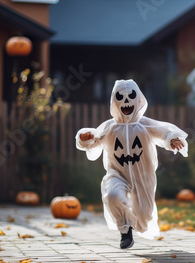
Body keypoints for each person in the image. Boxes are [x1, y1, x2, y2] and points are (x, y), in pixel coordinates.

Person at [76, 79, 188, 249]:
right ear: (114, 101)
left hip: (143, 176)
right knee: (112, 195)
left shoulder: (144, 125)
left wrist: (171, 139)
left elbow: (163, 130)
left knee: (144, 217)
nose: (126, 102)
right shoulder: (110, 127)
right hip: (117, 173)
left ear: (138, 99)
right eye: (121, 97)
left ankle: (137, 223)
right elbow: (93, 139)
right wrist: (84, 137)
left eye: (131, 97)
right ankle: (125, 229)